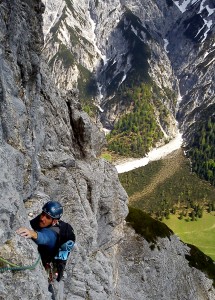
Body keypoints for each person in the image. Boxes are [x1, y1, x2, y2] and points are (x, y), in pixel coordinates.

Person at [16, 201, 75, 282]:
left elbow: (46, 237)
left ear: (54, 221)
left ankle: (55, 272)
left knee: (59, 265)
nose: (42, 218)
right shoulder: (41, 219)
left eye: (47, 217)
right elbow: (31, 225)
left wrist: (33, 234)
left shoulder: (54, 232)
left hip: (63, 244)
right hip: (50, 242)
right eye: (43, 213)